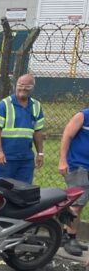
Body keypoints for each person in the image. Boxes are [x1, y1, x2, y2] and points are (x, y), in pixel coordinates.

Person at [0, 74, 44, 184]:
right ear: (16, 85)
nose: (23, 88)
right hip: (6, 157)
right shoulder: (4, 104)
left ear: (32, 88)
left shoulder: (37, 106)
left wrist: (40, 153)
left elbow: (38, 132)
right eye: (20, 85)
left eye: (27, 86)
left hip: (25, 158)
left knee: (23, 191)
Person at [57, 105, 89, 257]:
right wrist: (63, 161)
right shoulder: (83, 116)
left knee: (80, 204)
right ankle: (71, 239)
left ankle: (65, 235)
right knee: (77, 204)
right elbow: (67, 135)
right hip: (78, 165)